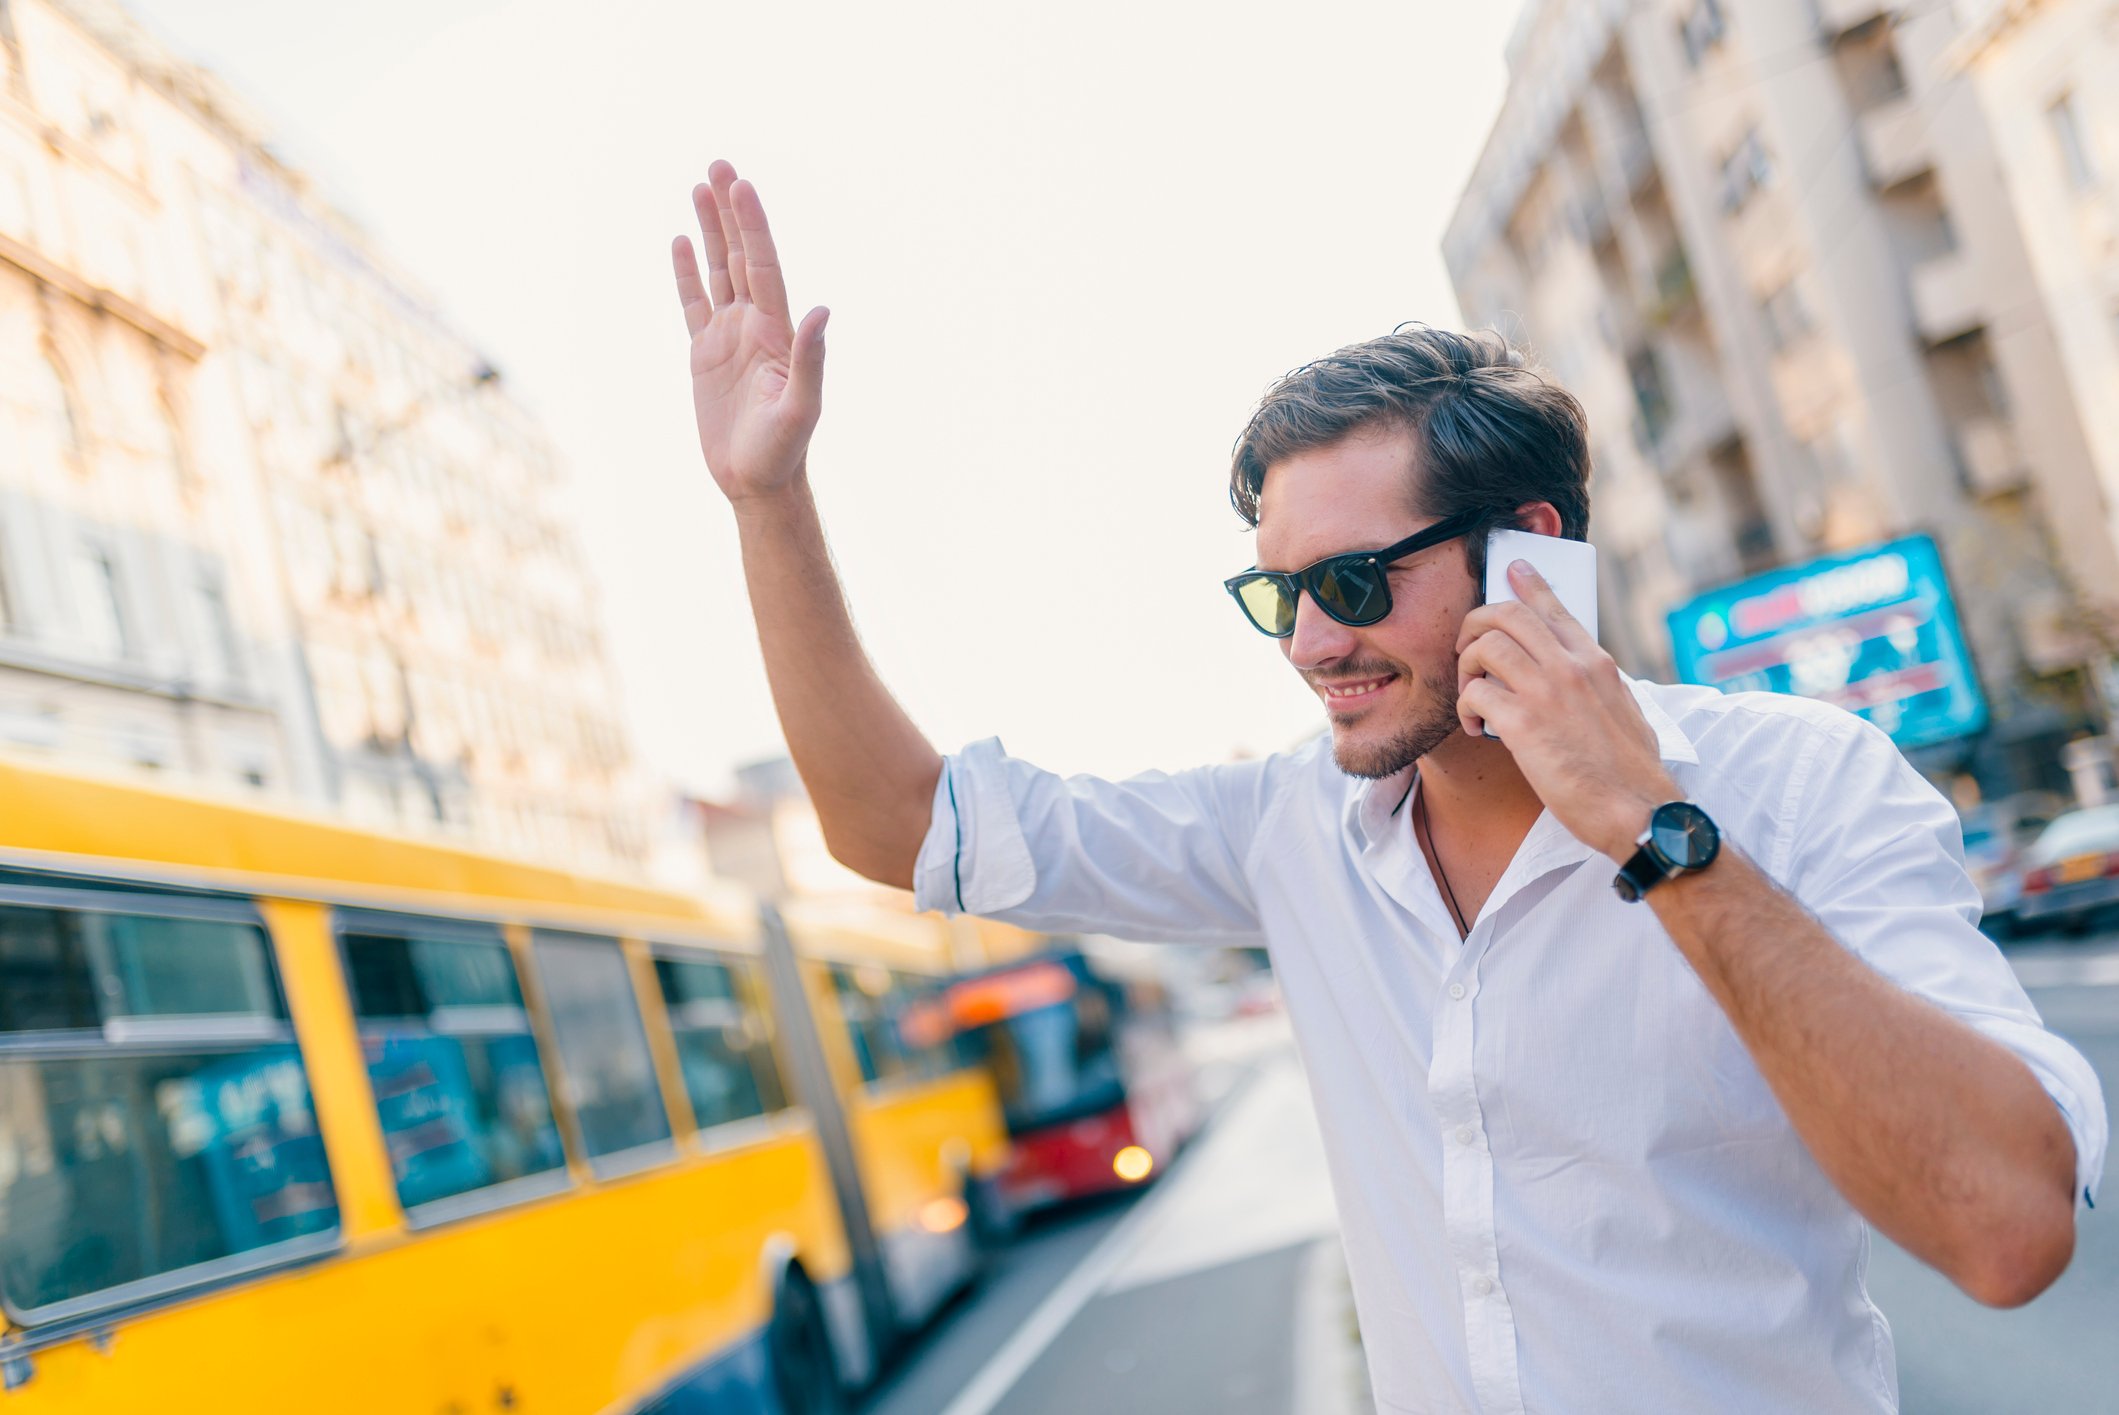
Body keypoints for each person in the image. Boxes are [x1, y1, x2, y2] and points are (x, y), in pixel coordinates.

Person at [668, 162, 2105, 1415]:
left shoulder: (1798, 783)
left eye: (1354, 583)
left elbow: (2005, 1227)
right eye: (1277, 593)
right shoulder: (1284, 830)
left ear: (1529, 554)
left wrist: (1654, 837)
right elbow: (891, 826)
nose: (1310, 644)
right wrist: (768, 503)